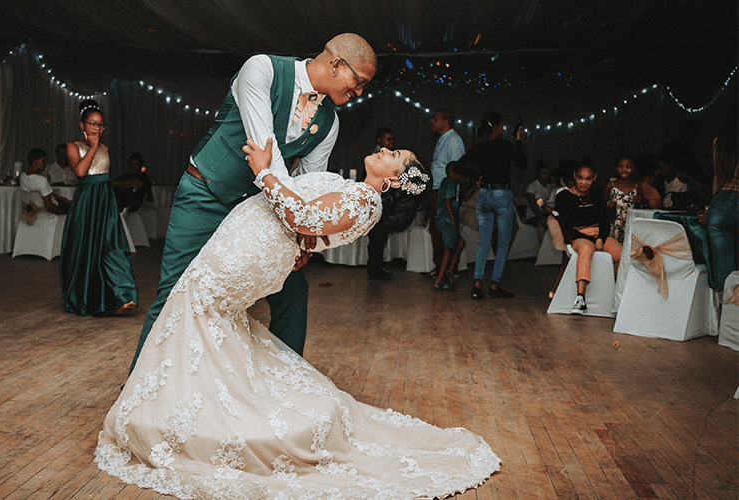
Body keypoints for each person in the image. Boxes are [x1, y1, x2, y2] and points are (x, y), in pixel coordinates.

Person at [96, 137, 500, 498]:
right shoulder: (358, 193)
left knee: (200, 310)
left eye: (393, 155)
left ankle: (184, 421)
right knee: (206, 319)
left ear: (393, 180)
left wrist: (263, 171)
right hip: (252, 245)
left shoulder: (365, 201)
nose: (384, 149)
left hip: (245, 254)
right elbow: (311, 230)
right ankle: (183, 411)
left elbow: (302, 217)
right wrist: (304, 242)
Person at [128, 33, 377, 376]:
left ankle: (285, 388)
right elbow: (264, 151)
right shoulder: (262, 69)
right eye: (358, 81)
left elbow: (309, 185)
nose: (359, 92)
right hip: (207, 194)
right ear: (336, 64)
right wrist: (295, 222)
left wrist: (304, 240)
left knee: (293, 292)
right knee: (175, 291)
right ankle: (138, 389)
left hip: (260, 213)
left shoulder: (330, 124)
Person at [60, 100, 138, 316]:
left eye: (101, 125)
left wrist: (97, 147)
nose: (98, 128)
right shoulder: (73, 146)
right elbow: (80, 173)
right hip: (86, 201)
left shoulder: (106, 148)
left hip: (105, 200)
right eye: (93, 124)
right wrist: (92, 147)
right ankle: (87, 297)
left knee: (112, 247)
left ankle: (122, 297)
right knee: (86, 249)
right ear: (82, 125)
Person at [457, 111, 527, 299]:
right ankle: (494, 287)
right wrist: (518, 140)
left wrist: (475, 177)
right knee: (502, 244)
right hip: (502, 195)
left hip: (484, 194)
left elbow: (457, 166)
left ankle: (477, 286)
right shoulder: (506, 145)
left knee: (484, 243)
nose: (503, 128)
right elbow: (523, 164)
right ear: (495, 127)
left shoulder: (478, 148)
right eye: (502, 125)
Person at [555, 162, 622, 314]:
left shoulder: (597, 195)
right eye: (580, 178)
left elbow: (604, 220)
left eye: (588, 179)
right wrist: (592, 239)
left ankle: (618, 294)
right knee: (586, 249)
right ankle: (580, 298)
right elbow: (567, 225)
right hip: (578, 236)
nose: (584, 182)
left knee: (620, 252)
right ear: (574, 176)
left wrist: (600, 237)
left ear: (594, 178)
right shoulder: (563, 196)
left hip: (599, 233)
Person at [700, 108, 738, 294]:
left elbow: (717, 179)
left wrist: (709, 209)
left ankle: (728, 320)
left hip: (721, 205)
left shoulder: (719, 143)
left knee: (725, 270)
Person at [428, 109, 465, 275]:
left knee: (446, 233)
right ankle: (439, 267)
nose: (432, 122)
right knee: (436, 231)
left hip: (446, 194)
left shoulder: (454, 141)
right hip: (437, 190)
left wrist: (451, 197)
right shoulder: (443, 139)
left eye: (435, 119)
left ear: (445, 121)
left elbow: (457, 171)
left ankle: (449, 270)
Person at [604, 154, 661, 243]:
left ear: (633, 168)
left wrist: (640, 201)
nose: (624, 170)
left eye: (628, 167)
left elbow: (642, 206)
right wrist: (608, 205)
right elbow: (602, 205)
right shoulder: (610, 186)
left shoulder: (637, 186)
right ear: (616, 168)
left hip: (631, 223)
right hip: (615, 224)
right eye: (620, 167)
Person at [366, 127, 396, 281]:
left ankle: (376, 268)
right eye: (388, 139)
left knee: (380, 237)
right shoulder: (375, 157)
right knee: (377, 237)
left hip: (383, 201)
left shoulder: (387, 156)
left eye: (392, 139)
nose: (391, 142)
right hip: (376, 201)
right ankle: (374, 270)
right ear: (379, 140)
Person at [433, 161, 466, 291]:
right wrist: (453, 220)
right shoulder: (451, 183)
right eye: (458, 174)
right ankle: (439, 279)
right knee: (448, 249)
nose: (460, 177)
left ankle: (449, 273)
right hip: (447, 220)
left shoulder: (444, 182)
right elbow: (448, 201)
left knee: (461, 242)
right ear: (452, 173)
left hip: (441, 219)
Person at [19, 148, 70, 216]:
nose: (45, 164)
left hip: (33, 209)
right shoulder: (41, 180)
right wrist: (64, 213)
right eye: (43, 161)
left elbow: (40, 194)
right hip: (50, 208)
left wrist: (62, 198)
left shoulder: (22, 177)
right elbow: (49, 206)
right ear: (35, 162)